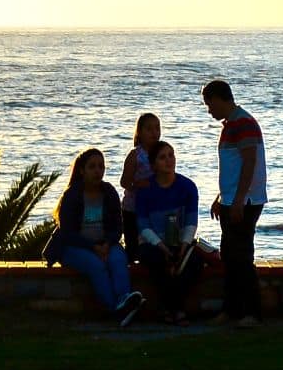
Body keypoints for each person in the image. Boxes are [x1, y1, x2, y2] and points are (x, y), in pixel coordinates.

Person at [45, 149, 146, 325]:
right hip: (74, 247)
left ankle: (124, 299)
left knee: (118, 259)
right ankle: (115, 309)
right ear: (82, 170)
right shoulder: (72, 195)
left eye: (101, 167)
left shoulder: (109, 192)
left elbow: (117, 227)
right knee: (96, 265)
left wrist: (107, 244)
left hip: (105, 244)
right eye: (92, 167)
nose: (97, 171)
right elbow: (68, 233)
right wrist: (93, 247)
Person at [203, 79, 267, 328]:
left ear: (221, 99)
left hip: (246, 201)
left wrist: (239, 200)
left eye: (209, 104)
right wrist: (221, 198)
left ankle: (252, 312)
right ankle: (232, 309)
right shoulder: (231, 125)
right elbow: (233, 168)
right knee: (229, 256)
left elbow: (250, 164)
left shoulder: (243, 123)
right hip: (233, 199)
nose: (209, 110)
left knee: (241, 256)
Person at [133, 140, 212, 322]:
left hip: (178, 241)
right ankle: (175, 310)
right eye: (162, 157)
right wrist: (162, 247)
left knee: (194, 263)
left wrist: (183, 247)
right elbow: (143, 226)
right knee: (158, 261)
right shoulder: (145, 190)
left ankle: (171, 309)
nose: (169, 160)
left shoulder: (187, 186)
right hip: (152, 243)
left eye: (171, 155)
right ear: (153, 165)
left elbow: (191, 222)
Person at [118, 113, 161, 258]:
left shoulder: (162, 153)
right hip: (133, 208)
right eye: (149, 129)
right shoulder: (136, 155)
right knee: (132, 246)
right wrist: (137, 185)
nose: (154, 132)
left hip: (154, 207)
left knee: (153, 243)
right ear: (140, 133)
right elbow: (124, 182)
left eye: (157, 128)